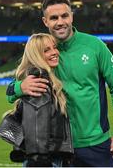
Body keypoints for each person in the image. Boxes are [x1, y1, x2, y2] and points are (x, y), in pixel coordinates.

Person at [6, 0, 113, 167]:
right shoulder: (43, 51)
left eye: (64, 15)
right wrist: (20, 86)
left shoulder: (95, 46)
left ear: (71, 16)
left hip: (96, 144)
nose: (60, 22)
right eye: (53, 18)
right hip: (57, 148)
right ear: (45, 21)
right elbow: (10, 91)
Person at [7, 33, 73, 167]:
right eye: (46, 50)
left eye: (54, 47)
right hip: (45, 160)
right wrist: (39, 160)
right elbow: (37, 126)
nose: (54, 52)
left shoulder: (40, 77)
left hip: (49, 157)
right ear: (36, 55)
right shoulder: (39, 82)